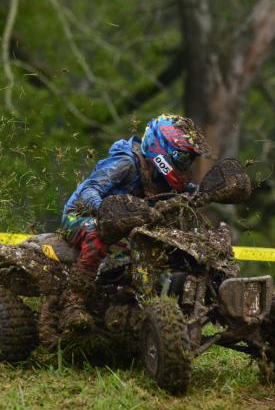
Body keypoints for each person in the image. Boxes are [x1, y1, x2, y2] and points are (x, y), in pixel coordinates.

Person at [60, 113, 209, 329]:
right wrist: (104, 210)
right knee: (97, 235)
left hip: (127, 222)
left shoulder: (161, 176)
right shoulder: (125, 162)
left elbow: (186, 192)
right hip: (82, 215)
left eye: (190, 161)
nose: (187, 166)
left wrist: (200, 194)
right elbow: (89, 190)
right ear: (163, 148)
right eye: (184, 159)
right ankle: (73, 303)